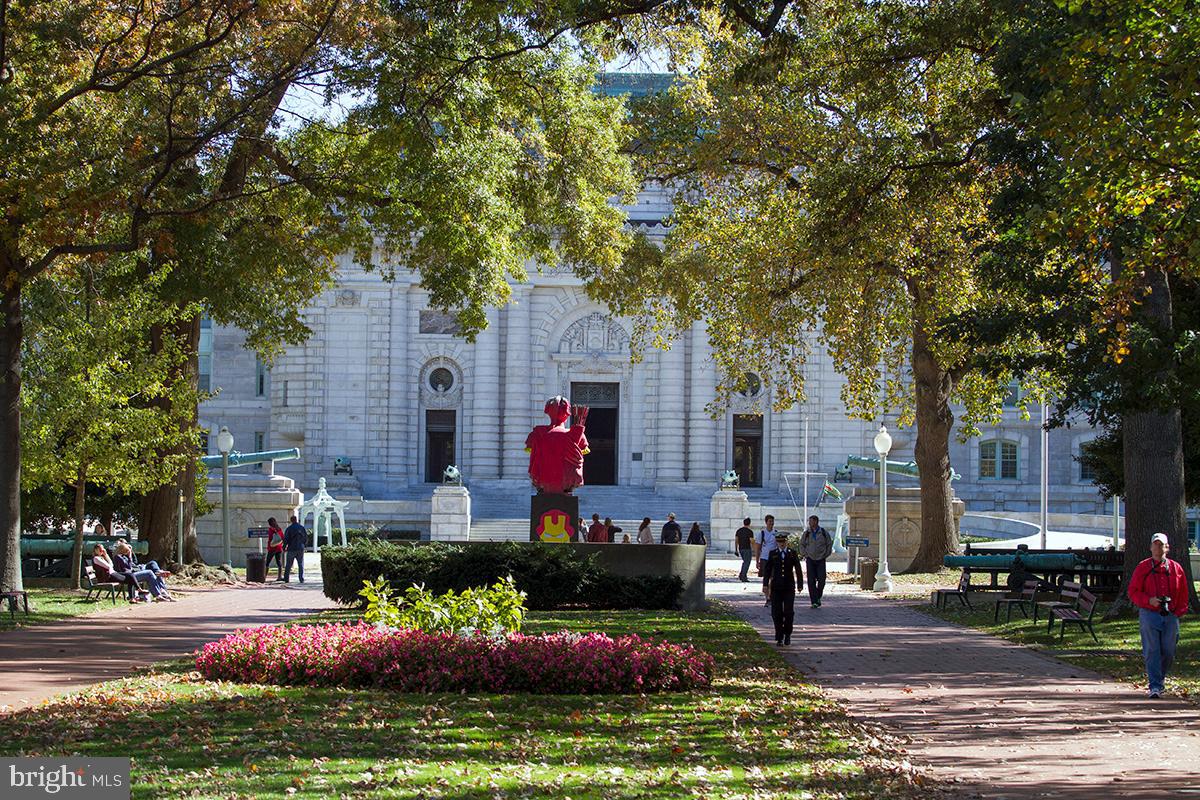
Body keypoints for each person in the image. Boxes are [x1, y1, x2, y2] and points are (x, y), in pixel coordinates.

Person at [1128, 532, 1189, 698]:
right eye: (1155, 544)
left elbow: (1184, 592)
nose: (1158, 548)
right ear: (1150, 547)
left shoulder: (1176, 568)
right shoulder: (1143, 567)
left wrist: (1178, 611)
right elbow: (1133, 592)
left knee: (1169, 651)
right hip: (1149, 613)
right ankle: (1155, 685)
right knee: (1152, 649)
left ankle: (1159, 680)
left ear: (1167, 548)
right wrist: (1149, 601)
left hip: (1171, 614)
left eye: (1161, 545)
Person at [762, 532, 803, 645]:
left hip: (789, 587)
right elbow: (768, 570)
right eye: (779, 542)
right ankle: (779, 635)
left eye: (783, 542)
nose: (781, 544)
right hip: (776, 587)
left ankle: (788, 633)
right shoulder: (773, 554)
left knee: (789, 612)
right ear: (777, 542)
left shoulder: (792, 553)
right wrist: (765, 585)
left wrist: (800, 584)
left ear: (786, 542)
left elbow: (798, 570)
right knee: (777, 613)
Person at [799, 515, 833, 608]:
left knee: (822, 580)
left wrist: (825, 555)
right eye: (809, 521)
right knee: (811, 581)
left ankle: (818, 596)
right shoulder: (807, 533)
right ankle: (814, 601)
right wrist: (805, 554)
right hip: (810, 559)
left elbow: (829, 545)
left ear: (816, 522)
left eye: (811, 521)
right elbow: (801, 545)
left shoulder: (823, 533)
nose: (810, 523)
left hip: (821, 559)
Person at [756, 515, 780, 606]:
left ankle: (771, 596)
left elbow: (779, 546)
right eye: (770, 521)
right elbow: (758, 548)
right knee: (766, 578)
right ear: (766, 522)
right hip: (764, 558)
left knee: (773, 579)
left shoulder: (776, 533)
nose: (771, 523)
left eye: (772, 521)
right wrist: (757, 561)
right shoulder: (762, 533)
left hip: (774, 559)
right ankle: (767, 598)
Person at [282, 515, 308, 583]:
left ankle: (286, 578)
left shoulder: (289, 528)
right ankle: (301, 578)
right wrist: (304, 545)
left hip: (291, 548)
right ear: (297, 520)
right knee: (300, 564)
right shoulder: (302, 528)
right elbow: (305, 538)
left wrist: (284, 547)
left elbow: (286, 539)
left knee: (288, 564)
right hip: (300, 548)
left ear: (291, 520)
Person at [735, 518, 755, 583]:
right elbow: (752, 541)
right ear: (749, 523)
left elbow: (736, 540)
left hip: (741, 549)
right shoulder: (750, 532)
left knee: (745, 562)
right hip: (747, 548)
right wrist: (755, 549)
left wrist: (736, 549)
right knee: (747, 562)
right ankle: (743, 576)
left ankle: (741, 574)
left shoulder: (739, 531)